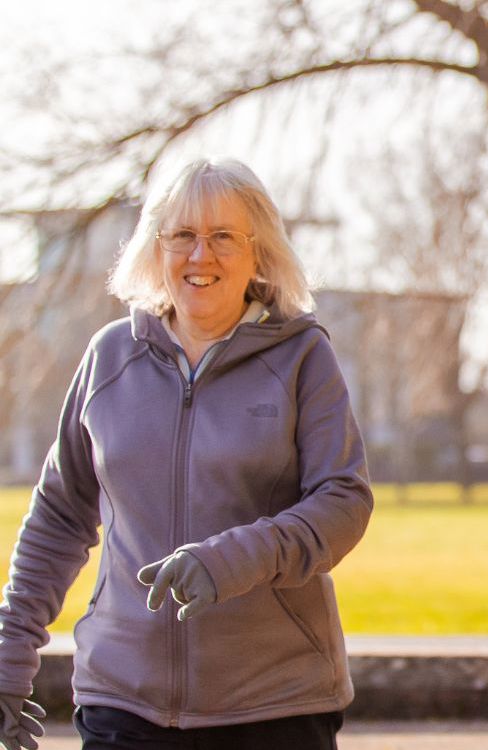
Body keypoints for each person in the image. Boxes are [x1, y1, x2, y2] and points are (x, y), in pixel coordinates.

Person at [0, 158, 372, 750]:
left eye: (224, 236)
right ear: (156, 248)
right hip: (122, 702)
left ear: (259, 253)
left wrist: (230, 560)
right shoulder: (109, 357)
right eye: (182, 236)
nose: (201, 256)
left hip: (274, 705)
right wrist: (8, 657)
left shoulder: (303, 357)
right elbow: (59, 515)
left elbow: (343, 503)